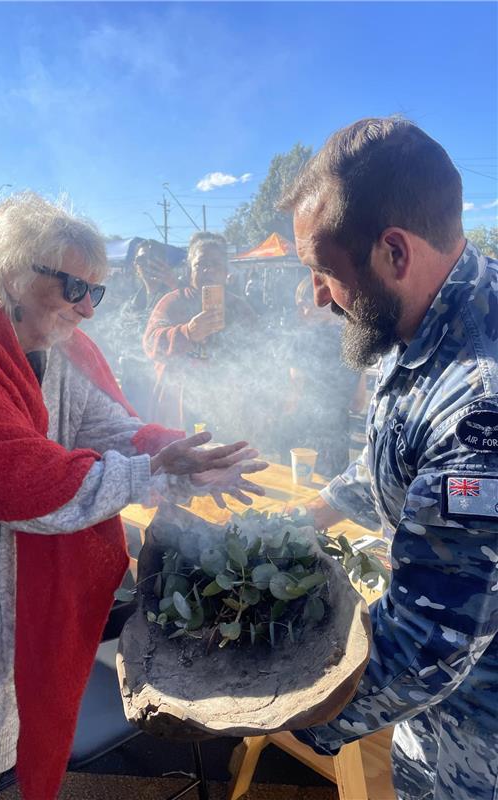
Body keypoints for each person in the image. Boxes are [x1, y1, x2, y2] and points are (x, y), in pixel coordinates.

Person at [0, 193, 267, 800]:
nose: (88, 311)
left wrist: (181, 459)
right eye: (75, 288)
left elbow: (109, 430)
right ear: (13, 272)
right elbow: (30, 487)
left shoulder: (59, 352)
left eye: (97, 293)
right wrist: (153, 470)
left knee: (13, 751)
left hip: (27, 601)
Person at [282, 117, 498, 799]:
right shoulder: (419, 322)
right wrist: (299, 520)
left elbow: (429, 642)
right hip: (433, 730)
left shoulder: (479, 410)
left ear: (394, 253)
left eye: (324, 271)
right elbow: (389, 465)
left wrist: (267, 707)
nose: (318, 297)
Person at [143, 231, 257, 437]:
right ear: (190, 270)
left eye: (216, 264)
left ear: (225, 272)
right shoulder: (173, 301)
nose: (209, 269)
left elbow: (259, 356)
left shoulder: (241, 308)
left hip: (226, 409)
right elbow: (150, 343)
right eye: (201, 264)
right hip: (178, 409)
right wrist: (187, 333)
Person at [277, 276, 360, 478]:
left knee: (297, 494)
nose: (304, 311)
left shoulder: (301, 341)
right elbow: (358, 403)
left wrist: (279, 417)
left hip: (303, 433)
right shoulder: (355, 342)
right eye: (300, 305)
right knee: (332, 496)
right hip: (338, 433)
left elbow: (293, 397)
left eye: (308, 304)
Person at [118, 240, 180, 419]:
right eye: (141, 260)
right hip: (133, 381)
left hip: (162, 383)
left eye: (154, 259)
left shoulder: (177, 295)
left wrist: (174, 283)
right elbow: (123, 335)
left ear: (164, 263)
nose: (147, 264)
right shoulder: (133, 302)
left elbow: (195, 310)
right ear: (136, 266)